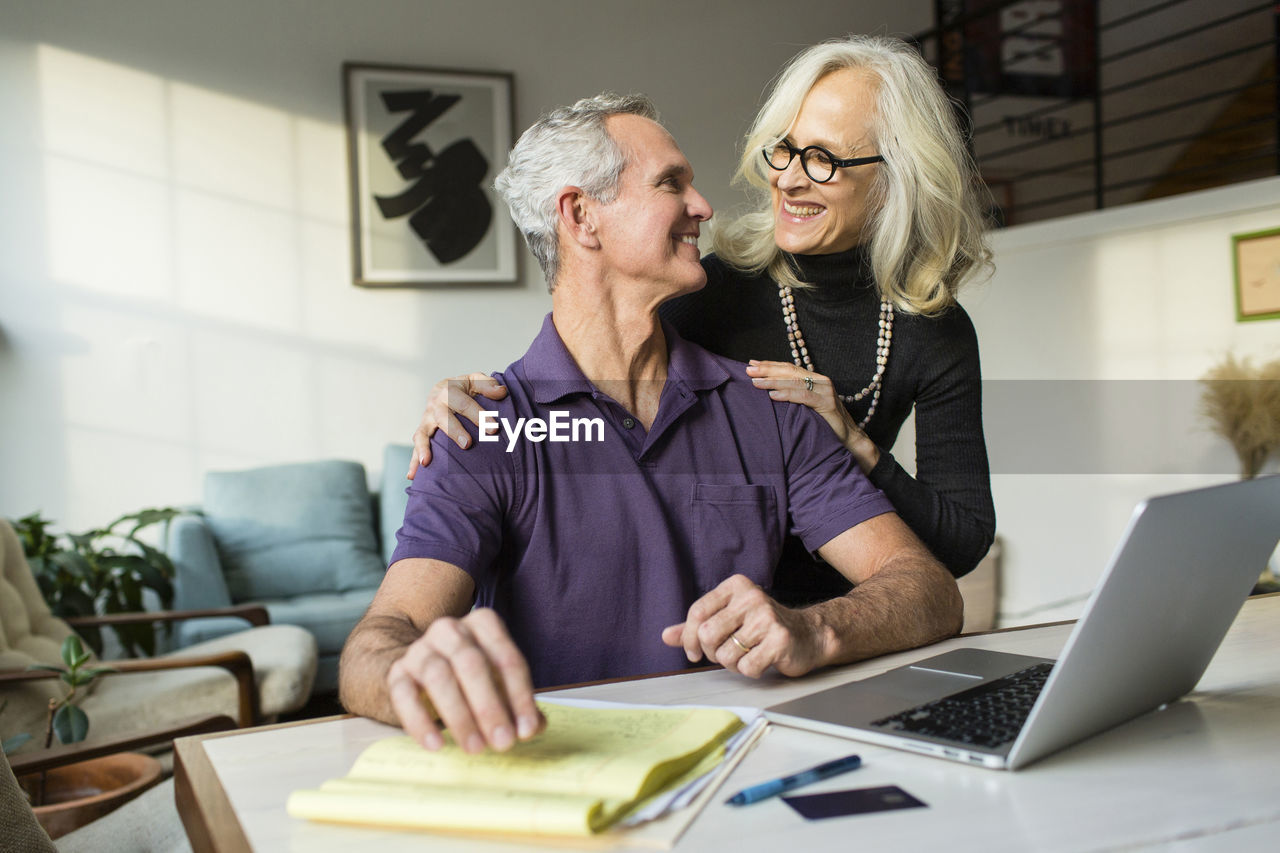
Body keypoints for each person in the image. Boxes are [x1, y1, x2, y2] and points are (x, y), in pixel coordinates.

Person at [339, 93, 963, 756]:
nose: (703, 206)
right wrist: (416, 673)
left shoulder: (771, 408)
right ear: (582, 217)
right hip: (571, 781)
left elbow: (927, 588)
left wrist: (816, 629)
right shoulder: (484, 432)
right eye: (672, 183)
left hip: (748, 769)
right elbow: (381, 636)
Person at [410, 35, 996, 607]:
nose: (788, 178)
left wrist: (854, 442)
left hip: (854, 609)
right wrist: (478, 410)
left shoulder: (931, 330)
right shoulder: (702, 290)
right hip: (718, 618)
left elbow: (959, 545)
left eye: (823, 159)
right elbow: (583, 358)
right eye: (785, 149)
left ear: (896, 177)